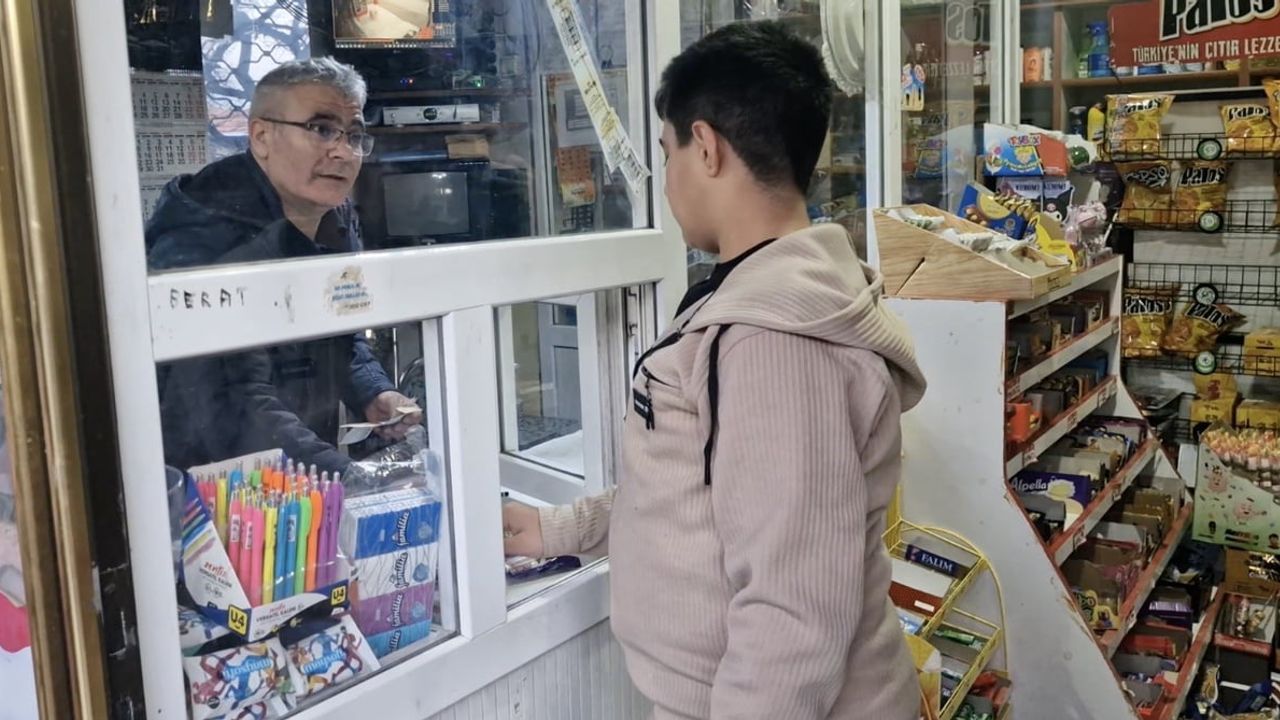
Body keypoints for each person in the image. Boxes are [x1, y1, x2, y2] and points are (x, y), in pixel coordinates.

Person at [502, 22, 927, 719]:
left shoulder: (775, 341)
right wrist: (562, 531)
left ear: (705, 148)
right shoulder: (754, 296)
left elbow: (794, 606)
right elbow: (711, 486)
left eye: (667, 154)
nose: (667, 183)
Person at [146, 58, 419, 473]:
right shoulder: (209, 244)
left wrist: (373, 392)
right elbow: (236, 405)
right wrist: (351, 475)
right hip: (213, 490)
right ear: (260, 137)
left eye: (355, 135)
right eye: (321, 129)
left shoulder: (333, 216)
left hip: (297, 478)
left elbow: (340, 328)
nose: (344, 151)